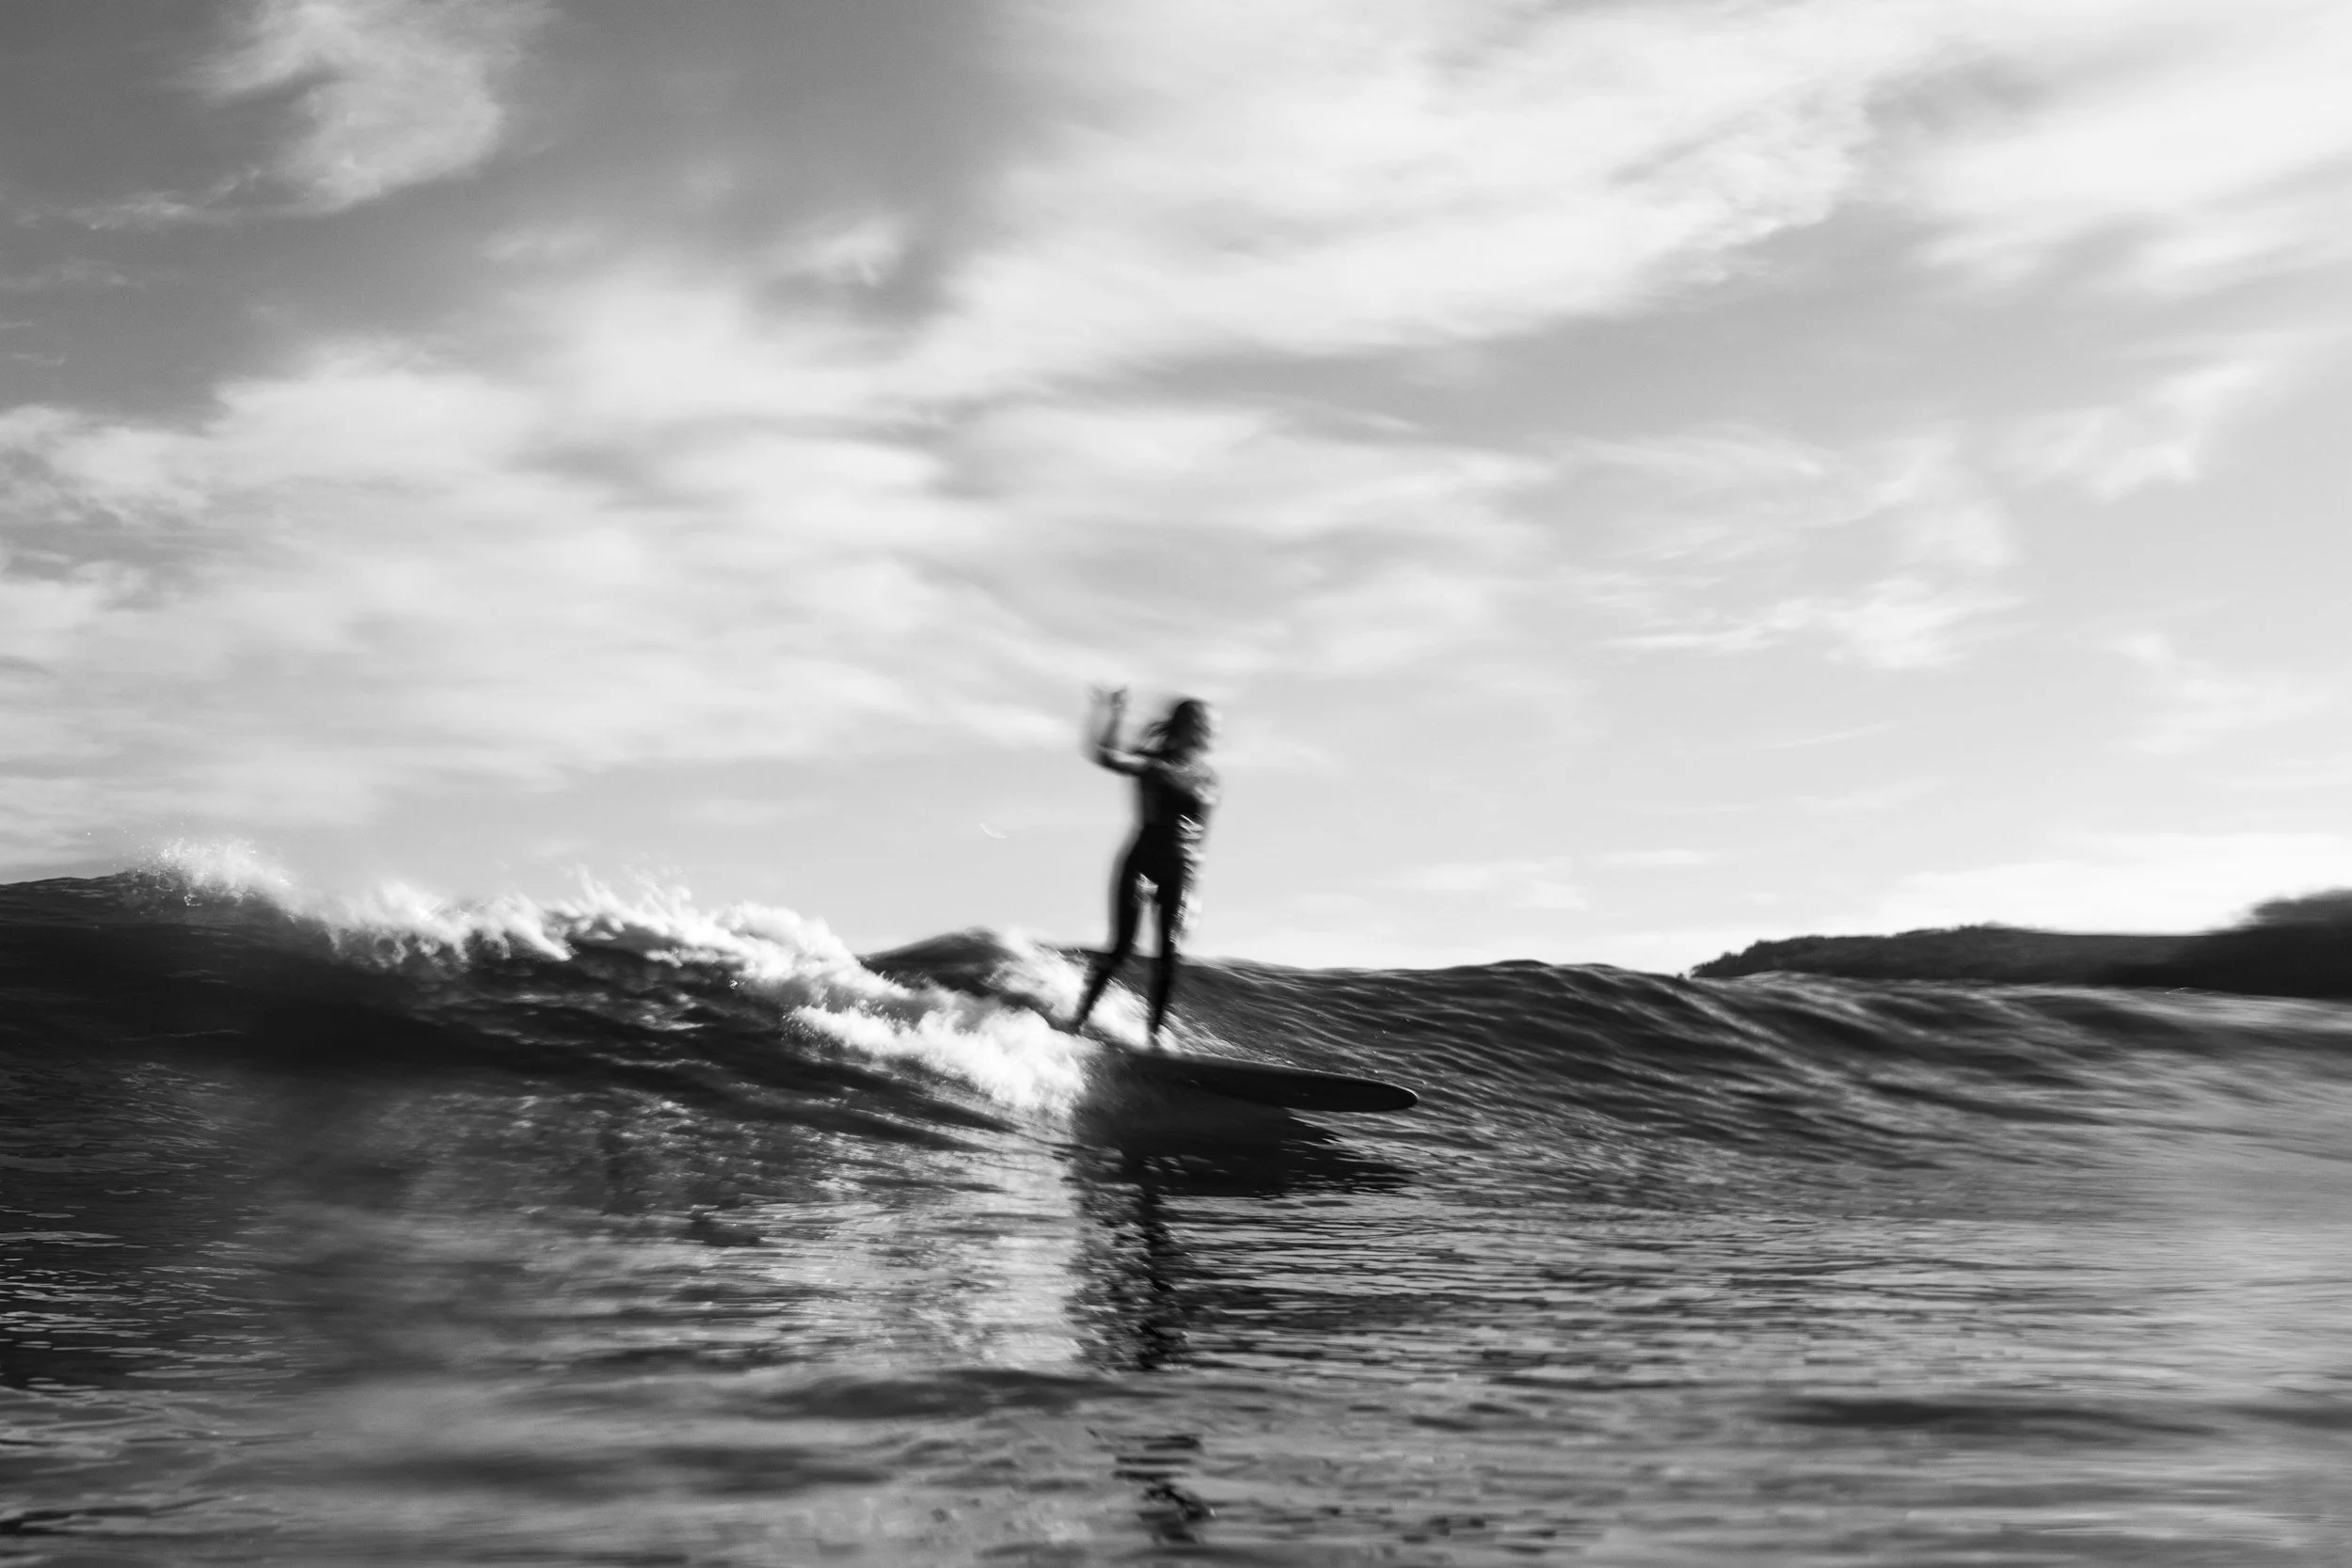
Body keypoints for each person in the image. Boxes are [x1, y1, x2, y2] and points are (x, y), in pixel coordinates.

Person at [1068, 688, 1219, 1049]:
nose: (1214, 732)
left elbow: (1201, 838)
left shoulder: (1209, 778)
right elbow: (1104, 755)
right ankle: (1077, 1021)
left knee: (1169, 954)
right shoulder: (1153, 765)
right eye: (1209, 724)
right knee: (1122, 946)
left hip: (1181, 873)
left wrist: (1193, 888)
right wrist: (1112, 715)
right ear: (1190, 725)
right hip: (1142, 864)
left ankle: (1154, 1038)